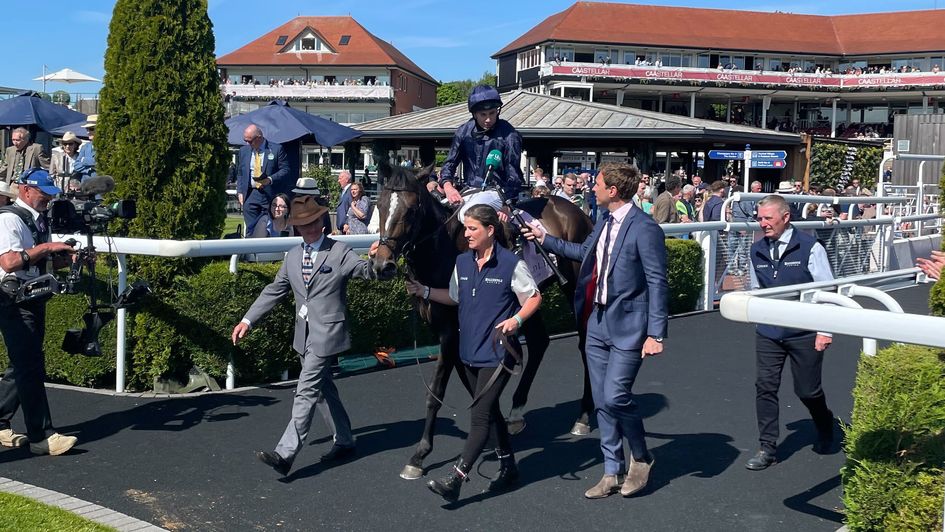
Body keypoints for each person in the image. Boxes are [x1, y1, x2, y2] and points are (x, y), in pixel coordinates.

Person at [522, 162, 669, 500]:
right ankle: (611, 470)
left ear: (613, 191)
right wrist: (545, 237)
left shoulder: (645, 228)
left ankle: (642, 456)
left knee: (617, 396)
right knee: (602, 401)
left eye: (599, 184)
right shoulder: (603, 222)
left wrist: (656, 333)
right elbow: (581, 253)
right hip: (596, 322)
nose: (594, 188)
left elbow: (658, 282)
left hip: (630, 326)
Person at [232, 196, 379, 477]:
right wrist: (247, 320)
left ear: (323, 221)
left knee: (306, 389)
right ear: (297, 227)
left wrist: (374, 259)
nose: (310, 228)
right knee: (324, 390)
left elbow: (365, 271)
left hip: (327, 334)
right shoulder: (293, 256)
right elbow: (274, 291)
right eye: (303, 224)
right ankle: (345, 439)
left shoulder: (339, 252)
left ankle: (285, 454)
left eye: (314, 222)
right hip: (304, 335)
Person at [405, 204, 541, 502]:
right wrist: (424, 291)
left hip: (499, 354)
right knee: (490, 412)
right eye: (465, 228)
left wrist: (516, 320)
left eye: (472, 229)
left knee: (479, 417)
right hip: (468, 353)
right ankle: (509, 466)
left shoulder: (511, 264)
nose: (466, 234)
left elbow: (533, 297)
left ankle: (456, 478)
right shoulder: (463, 263)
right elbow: (454, 297)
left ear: (490, 231)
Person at [745, 195, 836, 471]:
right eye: (759, 218)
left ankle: (825, 425)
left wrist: (825, 330)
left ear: (786, 218)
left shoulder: (810, 247)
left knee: (807, 391)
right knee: (765, 386)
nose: (762, 224)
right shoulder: (756, 249)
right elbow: (756, 289)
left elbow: (827, 291)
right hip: (770, 331)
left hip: (804, 331)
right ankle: (767, 447)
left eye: (768, 218)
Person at [0, 169, 78, 456]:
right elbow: (9, 262)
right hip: (12, 301)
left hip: (31, 297)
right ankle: (41, 436)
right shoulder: (9, 219)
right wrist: (47, 246)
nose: (47, 198)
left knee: (23, 364)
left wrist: (67, 259)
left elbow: (36, 265)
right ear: (25, 190)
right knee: (29, 366)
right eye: (43, 192)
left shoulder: (37, 219)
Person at [439, 85, 523, 221]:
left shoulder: (510, 135)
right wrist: (448, 186)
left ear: (498, 111)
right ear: (474, 114)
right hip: (469, 189)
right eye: (483, 115)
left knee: (467, 214)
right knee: (437, 212)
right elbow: (450, 163)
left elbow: (514, 175)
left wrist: (507, 204)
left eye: (492, 113)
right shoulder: (463, 131)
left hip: (498, 192)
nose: (488, 119)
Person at [236, 124, 290, 235]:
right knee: (251, 229)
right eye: (245, 140)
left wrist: (270, 179)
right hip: (250, 194)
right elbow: (240, 173)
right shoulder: (244, 151)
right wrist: (240, 191)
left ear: (259, 137)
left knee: (270, 228)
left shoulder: (276, 149)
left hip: (270, 195)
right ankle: (251, 250)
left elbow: (285, 170)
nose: (247, 143)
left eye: (250, 141)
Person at [72, 116, 97, 183]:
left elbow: (100, 162)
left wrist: (84, 160)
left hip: (99, 186)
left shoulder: (105, 145)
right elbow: (76, 165)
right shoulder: (85, 147)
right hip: (85, 186)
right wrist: (90, 168)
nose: (88, 132)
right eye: (87, 129)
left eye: (91, 129)